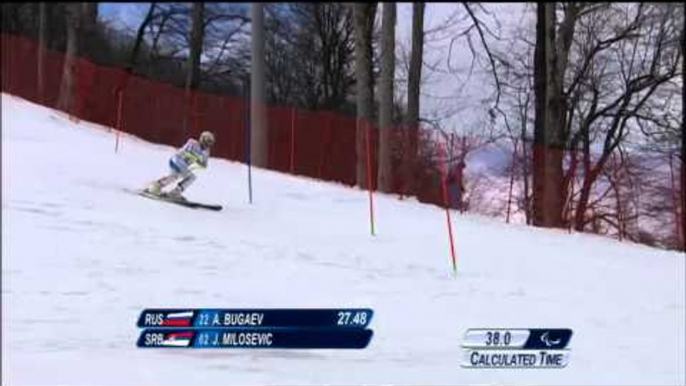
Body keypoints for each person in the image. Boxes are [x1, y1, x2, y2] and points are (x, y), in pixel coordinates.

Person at [144, 131, 216, 200]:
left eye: (210, 142)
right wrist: (196, 158)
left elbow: (204, 164)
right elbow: (184, 152)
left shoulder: (206, 152)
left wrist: (202, 163)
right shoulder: (192, 143)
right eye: (208, 141)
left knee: (186, 177)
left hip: (184, 166)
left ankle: (170, 191)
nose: (208, 144)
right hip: (177, 160)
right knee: (179, 176)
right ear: (202, 139)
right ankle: (156, 187)